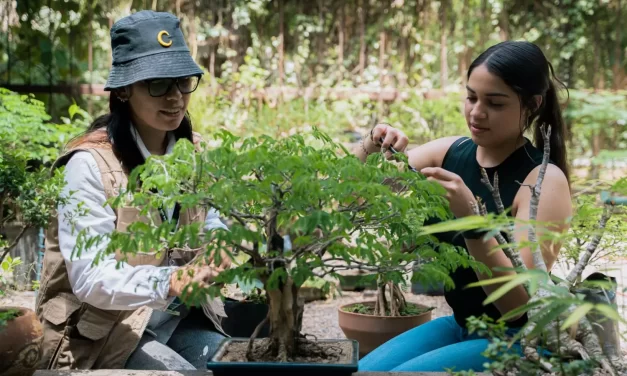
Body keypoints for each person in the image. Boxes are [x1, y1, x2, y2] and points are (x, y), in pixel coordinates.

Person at [355, 41, 573, 372]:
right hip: (460, 325)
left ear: (532, 105)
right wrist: (371, 144)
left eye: (495, 103)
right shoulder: (450, 153)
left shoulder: (544, 181)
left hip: (517, 340)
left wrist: (473, 223)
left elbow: (519, 307)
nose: (476, 112)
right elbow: (353, 198)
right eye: (471, 97)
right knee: (359, 371)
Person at [35, 10, 231, 370]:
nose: (174, 97)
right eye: (157, 83)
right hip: (104, 337)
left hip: (173, 322)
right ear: (124, 89)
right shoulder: (88, 165)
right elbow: (91, 278)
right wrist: (172, 280)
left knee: (235, 364)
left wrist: (218, 244)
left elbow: (215, 217)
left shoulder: (195, 154)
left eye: (182, 81)